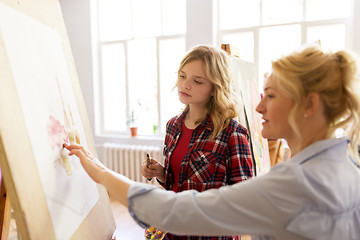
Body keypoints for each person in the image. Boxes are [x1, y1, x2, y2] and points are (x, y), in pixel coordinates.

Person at [64, 46, 360, 240]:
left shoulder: (295, 181)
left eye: (270, 95)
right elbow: (177, 193)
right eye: (182, 77)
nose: (257, 108)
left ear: (309, 104)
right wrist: (163, 176)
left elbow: (182, 210)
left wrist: (100, 172)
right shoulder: (350, 169)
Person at [140, 45, 254, 240]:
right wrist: (161, 173)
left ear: (214, 88)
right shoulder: (173, 126)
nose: (185, 85)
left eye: (197, 81)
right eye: (182, 76)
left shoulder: (232, 134)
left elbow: (243, 203)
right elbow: (176, 183)